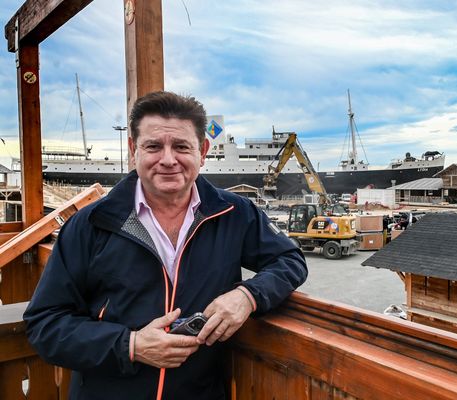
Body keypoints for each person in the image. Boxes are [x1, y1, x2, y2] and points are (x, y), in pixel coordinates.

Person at [24, 91, 308, 399]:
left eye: (182, 146)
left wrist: (247, 296)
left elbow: (290, 260)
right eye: (154, 146)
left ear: (203, 150)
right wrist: (129, 345)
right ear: (134, 149)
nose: (168, 159)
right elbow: (45, 324)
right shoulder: (91, 224)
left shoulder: (234, 214)